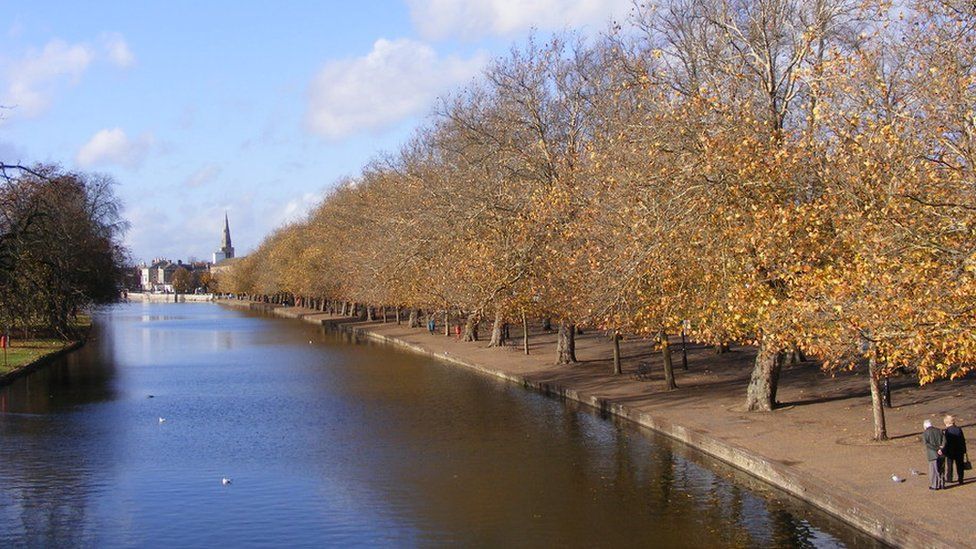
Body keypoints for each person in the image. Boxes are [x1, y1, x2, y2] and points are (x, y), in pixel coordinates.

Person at [943, 415, 967, 485]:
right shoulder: (959, 429)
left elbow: (947, 442)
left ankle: (949, 478)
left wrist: (944, 450)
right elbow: (962, 440)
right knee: (960, 465)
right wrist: (964, 449)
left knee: (950, 465)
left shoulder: (947, 431)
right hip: (959, 450)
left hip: (951, 450)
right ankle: (961, 479)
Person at [923, 419, 946, 490]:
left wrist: (937, 449)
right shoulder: (939, 430)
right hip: (941, 454)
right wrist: (941, 448)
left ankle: (934, 485)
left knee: (933, 470)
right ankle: (942, 484)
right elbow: (944, 441)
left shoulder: (926, 432)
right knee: (941, 469)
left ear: (925, 426)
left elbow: (927, 444)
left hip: (933, 455)